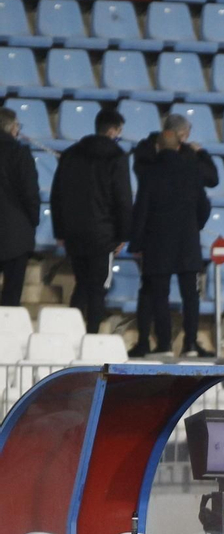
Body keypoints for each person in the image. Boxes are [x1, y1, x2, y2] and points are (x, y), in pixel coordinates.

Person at [128, 129, 212, 357]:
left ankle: (164, 345)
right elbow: (204, 206)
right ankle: (191, 345)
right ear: (178, 146)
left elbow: (141, 211)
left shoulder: (150, 173)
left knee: (159, 295)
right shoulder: (192, 170)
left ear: (158, 147)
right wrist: (196, 226)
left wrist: (136, 243)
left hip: (158, 243)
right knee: (190, 296)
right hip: (188, 241)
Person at [49, 109, 133, 335]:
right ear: (113, 130)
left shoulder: (70, 154)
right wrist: (123, 235)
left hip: (74, 232)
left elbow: (57, 194)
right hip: (103, 234)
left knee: (82, 282)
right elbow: (123, 198)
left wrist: (60, 230)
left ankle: (69, 332)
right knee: (98, 288)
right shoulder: (117, 157)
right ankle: (93, 337)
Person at [0, 107, 40, 307]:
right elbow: (30, 193)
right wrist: (32, 221)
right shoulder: (20, 154)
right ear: (12, 127)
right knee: (11, 297)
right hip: (16, 234)